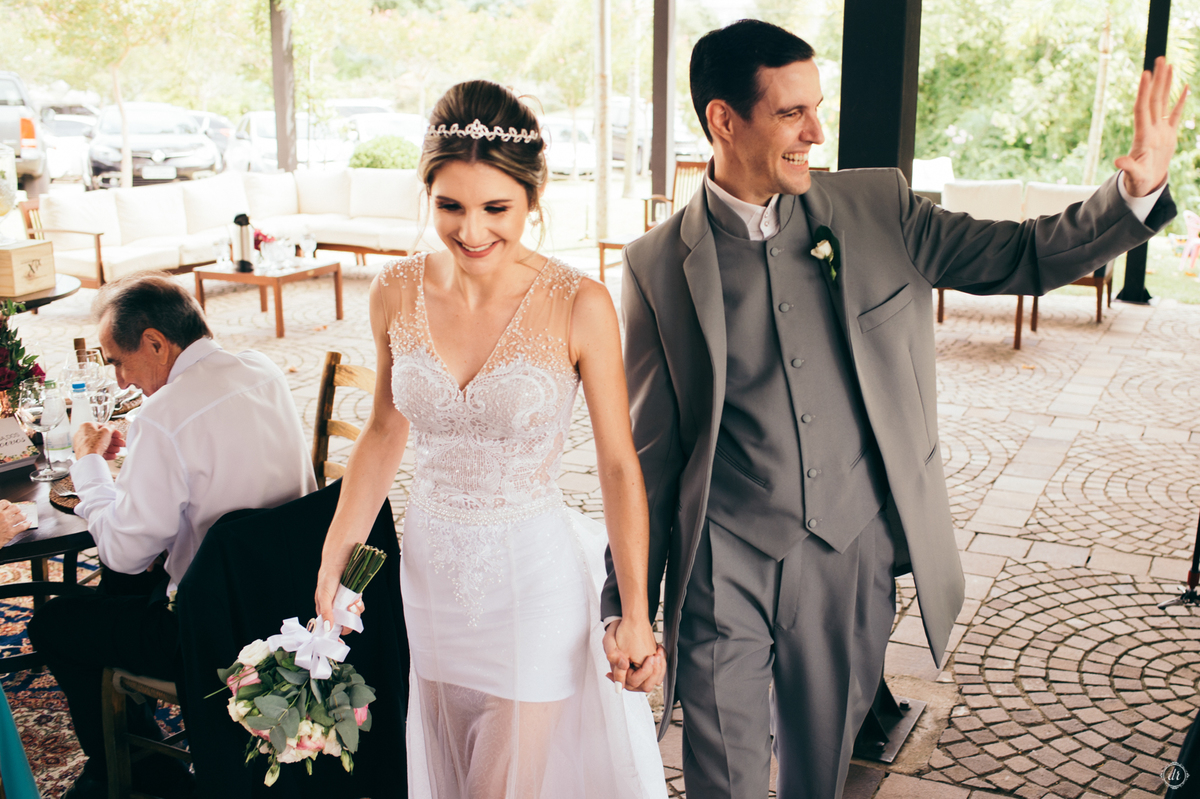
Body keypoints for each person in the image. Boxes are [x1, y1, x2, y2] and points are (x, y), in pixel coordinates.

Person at [600, 19, 1185, 799]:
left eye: (817, 107)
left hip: (848, 556)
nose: (815, 131)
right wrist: (626, 604)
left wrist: (1133, 191)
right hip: (720, 564)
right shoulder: (653, 267)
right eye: (791, 114)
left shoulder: (878, 207)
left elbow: (1024, 253)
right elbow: (643, 457)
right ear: (722, 120)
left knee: (821, 776)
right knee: (721, 780)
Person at [315, 79, 668, 798]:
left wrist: (636, 611)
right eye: (450, 206)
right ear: (428, 195)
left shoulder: (579, 302)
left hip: (530, 583)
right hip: (431, 577)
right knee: (444, 773)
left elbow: (617, 464)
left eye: (495, 209)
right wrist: (334, 559)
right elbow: (384, 429)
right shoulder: (394, 291)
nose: (472, 231)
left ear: (532, 200)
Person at [28, 273, 317, 799]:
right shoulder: (262, 368)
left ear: (157, 342)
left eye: (117, 360)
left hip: (212, 634)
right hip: (288, 598)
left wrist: (89, 464)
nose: (119, 382)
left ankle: (142, 773)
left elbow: (120, 553)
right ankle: (133, 734)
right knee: (119, 592)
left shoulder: (162, 417)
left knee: (52, 622)